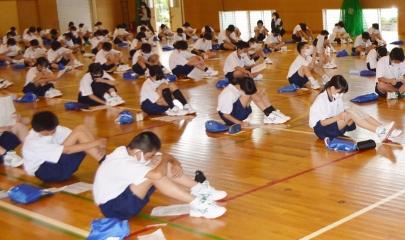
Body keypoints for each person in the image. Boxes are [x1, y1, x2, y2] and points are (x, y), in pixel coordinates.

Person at [92, 131, 225, 220]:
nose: (151, 157)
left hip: (121, 198)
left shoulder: (127, 151)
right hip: (114, 209)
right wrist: (164, 160)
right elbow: (157, 174)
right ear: (138, 152)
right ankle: (199, 204)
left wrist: (174, 162)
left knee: (158, 164)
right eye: (149, 155)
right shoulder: (123, 163)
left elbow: (163, 155)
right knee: (155, 174)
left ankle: (200, 189)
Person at [22, 111, 106, 182]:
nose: (54, 131)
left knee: (81, 128)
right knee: (80, 136)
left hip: (53, 164)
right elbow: (67, 150)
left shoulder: (51, 128)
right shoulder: (34, 142)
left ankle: (104, 160)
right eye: (51, 131)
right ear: (44, 131)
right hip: (46, 172)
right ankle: (104, 162)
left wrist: (98, 144)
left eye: (54, 129)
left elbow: (76, 135)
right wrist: (96, 143)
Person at [309, 75, 396, 143]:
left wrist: (347, 113)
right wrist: (339, 117)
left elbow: (341, 112)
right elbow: (323, 123)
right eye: (340, 92)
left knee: (353, 109)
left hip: (333, 124)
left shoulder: (335, 95)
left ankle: (383, 128)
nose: (341, 95)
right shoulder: (321, 99)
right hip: (322, 130)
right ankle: (379, 131)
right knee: (350, 113)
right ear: (332, 88)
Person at [217, 76, 289, 126]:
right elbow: (225, 114)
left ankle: (272, 112)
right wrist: (240, 123)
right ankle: (269, 115)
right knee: (250, 94)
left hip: (239, 112)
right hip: (231, 118)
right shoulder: (228, 94)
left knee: (261, 90)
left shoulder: (240, 87)